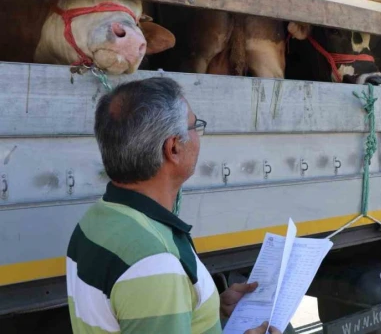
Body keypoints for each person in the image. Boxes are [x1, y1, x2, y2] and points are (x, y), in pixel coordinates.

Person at [66, 77, 279, 334]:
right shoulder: (155, 262)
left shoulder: (98, 219)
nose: (198, 136)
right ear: (174, 148)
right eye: (194, 126)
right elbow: (150, 288)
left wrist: (207, 309)